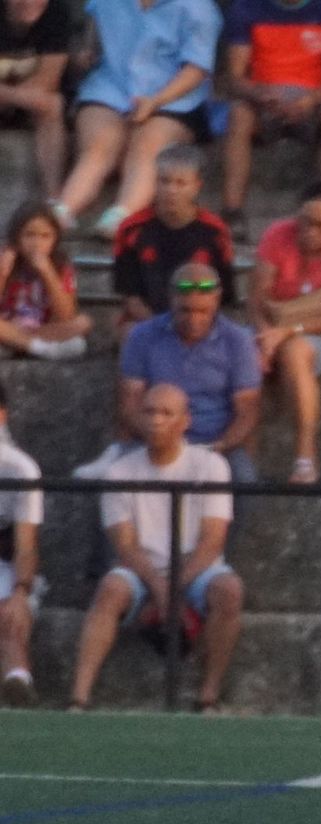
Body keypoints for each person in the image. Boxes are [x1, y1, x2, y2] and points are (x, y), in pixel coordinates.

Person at [69, 384, 242, 712]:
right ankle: (79, 697)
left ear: (185, 421)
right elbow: (125, 545)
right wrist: (161, 588)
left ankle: (208, 695)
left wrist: (173, 586)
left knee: (229, 591)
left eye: (166, 413)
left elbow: (212, 541)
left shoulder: (211, 466)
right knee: (109, 591)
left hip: (196, 566)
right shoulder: (119, 471)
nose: (156, 420)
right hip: (142, 567)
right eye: (149, 411)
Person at [52, 0, 223, 240]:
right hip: (111, 86)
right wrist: (83, 57)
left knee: (148, 144)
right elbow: (92, 41)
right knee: (99, 144)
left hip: (174, 97)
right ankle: (61, 211)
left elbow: (196, 70)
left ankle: (122, 216)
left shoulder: (199, 8)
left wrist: (155, 101)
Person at [248, 182, 321, 484]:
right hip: (275, 325)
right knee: (240, 355)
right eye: (304, 221)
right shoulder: (277, 234)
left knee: (295, 351)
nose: (310, 231)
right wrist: (265, 335)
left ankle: (305, 454)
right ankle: (241, 456)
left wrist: (287, 332)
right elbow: (256, 299)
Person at [219, 0, 321, 241]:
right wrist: (260, 94)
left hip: (315, 99)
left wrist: (310, 99)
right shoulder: (246, 9)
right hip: (265, 98)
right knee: (239, 114)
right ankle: (232, 212)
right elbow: (235, 77)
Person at [118, 263, 262, 485]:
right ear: (171, 299)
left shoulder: (238, 341)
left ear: (216, 299)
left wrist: (221, 446)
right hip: (154, 437)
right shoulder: (142, 336)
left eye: (203, 311)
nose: (194, 319)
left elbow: (247, 410)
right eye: (185, 310)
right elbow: (130, 404)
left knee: (244, 479)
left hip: (217, 442)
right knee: (116, 476)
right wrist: (158, 440)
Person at [111, 143, 238, 343]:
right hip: (147, 320)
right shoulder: (131, 229)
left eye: (180, 183)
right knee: (131, 334)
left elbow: (222, 293)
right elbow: (130, 296)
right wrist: (163, 327)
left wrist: (192, 322)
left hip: (200, 319)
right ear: (155, 182)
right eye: (165, 181)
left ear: (197, 186)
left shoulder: (215, 232)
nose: (171, 190)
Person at [0, 200, 90, 360]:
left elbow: (66, 316)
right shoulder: (5, 260)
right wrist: (3, 273)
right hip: (8, 325)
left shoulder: (60, 267)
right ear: (16, 238)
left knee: (83, 323)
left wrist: (48, 272)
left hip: (44, 329)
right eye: (29, 235)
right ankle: (40, 348)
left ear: (55, 240)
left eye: (45, 236)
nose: (37, 243)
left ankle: (21, 346)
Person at [0, 0, 72, 199]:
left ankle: (53, 198)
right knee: (49, 102)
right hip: (26, 97)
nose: (30, 2)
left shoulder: (56, 12)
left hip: (27, 99)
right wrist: (23, 97)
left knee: (52, 108)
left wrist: (12, 96)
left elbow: (48, 79)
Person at [0, 382, 43, 707]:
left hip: (4, 563)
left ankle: (18, 680)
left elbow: (26, 545)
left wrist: (20, 591)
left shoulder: (20, 468)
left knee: (10, 611)